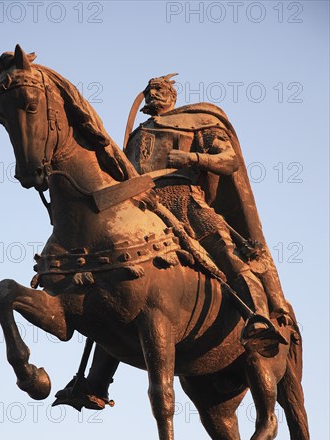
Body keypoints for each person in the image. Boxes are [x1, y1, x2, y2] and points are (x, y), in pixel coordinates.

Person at [54, 74, 291, 411]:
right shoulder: (137, 136)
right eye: (149, 90)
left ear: (172, 95)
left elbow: (228, 161)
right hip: (144, 208)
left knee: (227, 255)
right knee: (118, 277)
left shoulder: (198, 122)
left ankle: (258, 321)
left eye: (159, 90)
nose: (152, 95)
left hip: (186, 201)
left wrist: (193, 160)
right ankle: (95, 383)